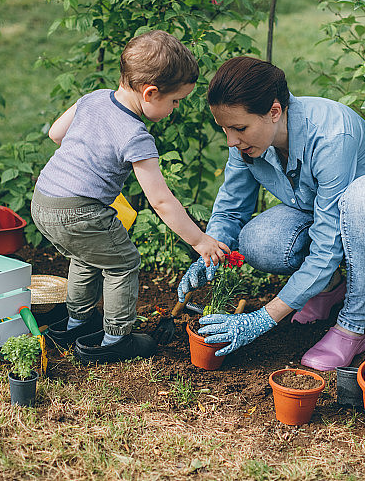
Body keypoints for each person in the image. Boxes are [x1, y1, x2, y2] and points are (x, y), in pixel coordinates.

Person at [177, 56, 365, 371]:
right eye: (225, 129)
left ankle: (352, 326)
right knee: (257, 240)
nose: (231, 140)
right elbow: (231, 205)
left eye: (239, 128)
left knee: (364, 195)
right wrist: (209, 252)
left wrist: (262, 319)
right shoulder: (246, 141)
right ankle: (330, 287)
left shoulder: (331, 135)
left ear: (275, 111)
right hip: (325, 218)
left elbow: (327, 244)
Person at [31, 30, 229, 364]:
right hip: (80, 211)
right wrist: (199, 240)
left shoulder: (92, 99)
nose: (176, 108)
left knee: (89, 254)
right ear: (150, 93)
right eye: (175, 101)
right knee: (123, 263)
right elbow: (161, 200)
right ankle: (115, 338)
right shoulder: (135, 136)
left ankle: (77, 323)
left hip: (44, 201)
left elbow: (55, 134)